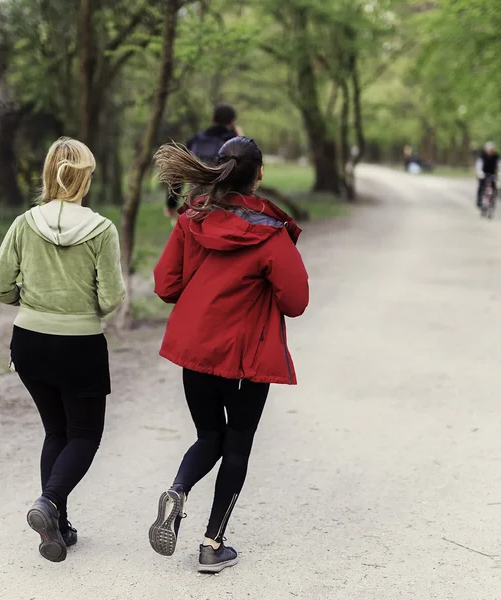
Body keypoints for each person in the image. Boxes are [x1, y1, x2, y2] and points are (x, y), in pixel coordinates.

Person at [150, 136, 309, 573]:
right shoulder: (271, 235)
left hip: (196, 348)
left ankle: (179, 490)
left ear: (218, 169)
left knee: (208, 437)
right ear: (259, 175)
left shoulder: (190, 220)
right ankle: (211, 544)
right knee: (236, 445)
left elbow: (166, 287)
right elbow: (295, 302)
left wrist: (204, 289)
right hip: (246, 357)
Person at [0, 137, 125, 563]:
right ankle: (48, 503)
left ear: (48, 173)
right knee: (84, 435)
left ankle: (58, 528)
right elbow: (110, 299)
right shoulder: (102, 230)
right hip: (79, 345)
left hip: (29, 343)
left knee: (56, 432)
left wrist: (32, 305)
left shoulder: (23, 224)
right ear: (85, 179)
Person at [164, 103, 240, 220]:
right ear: (232, 122)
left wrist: (171, 204)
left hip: (196, 206)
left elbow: (176, 172)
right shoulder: (234, 142)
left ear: (212, 120)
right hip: (226, 207)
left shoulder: (194, 140)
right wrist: (241, 137)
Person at [476, 142, 501, 207]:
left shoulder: (496, 157)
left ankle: (493, 200)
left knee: (495, 187)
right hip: (483, 174)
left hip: (492, 174)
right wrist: (479, 172)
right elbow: (479, 165)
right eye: (489, 150)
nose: (490, 151)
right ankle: (479, 201)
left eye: (491, 150)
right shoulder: (482, 156)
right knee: (481, 186)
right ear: (486, 150)